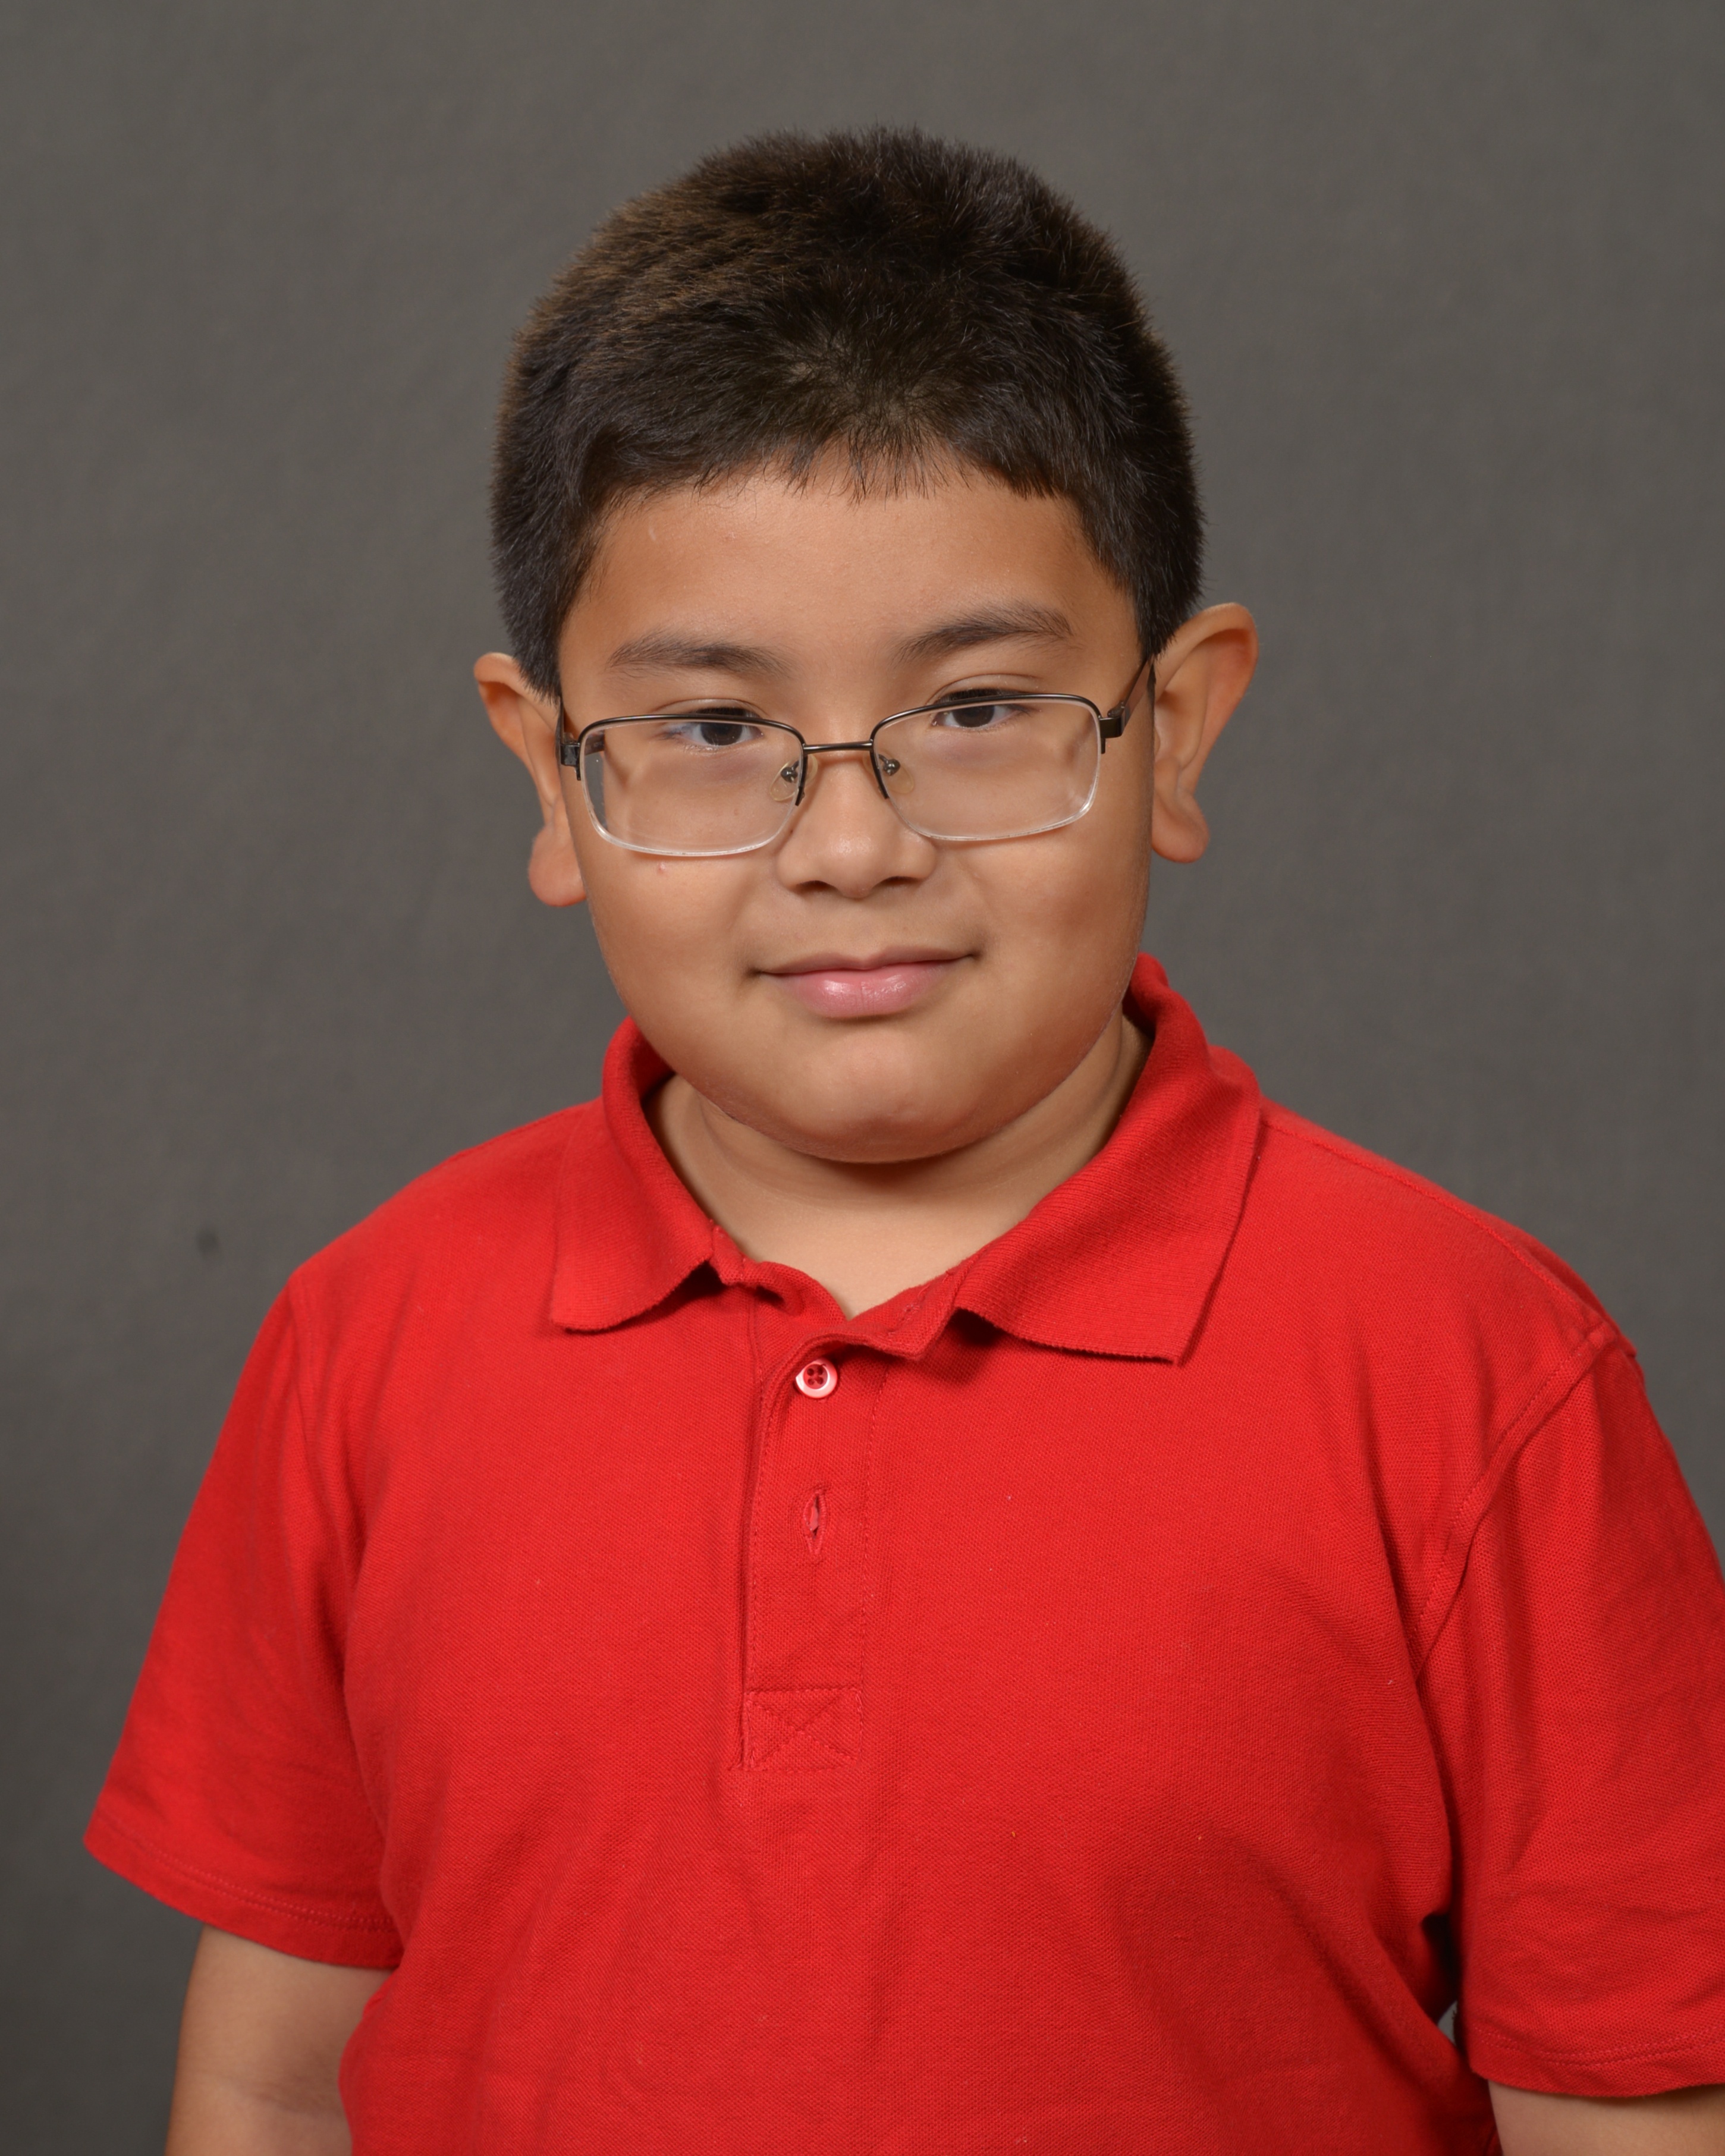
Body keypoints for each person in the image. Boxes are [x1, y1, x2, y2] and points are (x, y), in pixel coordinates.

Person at [89, 128, 1725, 2156]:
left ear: (1176, 726)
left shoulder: (1480, 1374)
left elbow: (1632, 2112)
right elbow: (271, 2082)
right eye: (712, 730)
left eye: (977, 710)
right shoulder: (369, 1344)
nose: (852, 846)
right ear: (549, 771)